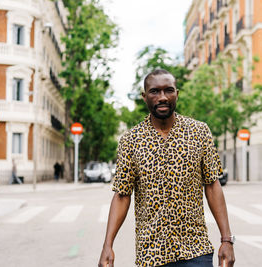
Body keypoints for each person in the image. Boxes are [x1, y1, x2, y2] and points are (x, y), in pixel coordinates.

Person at [98, 69, 235, 267]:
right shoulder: (131, 140)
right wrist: (107, 246)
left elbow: (213, 185)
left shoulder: (199, 132)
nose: (162, 97)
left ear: (176, 94)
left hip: (195, 250)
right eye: (155, 91)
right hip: (151, 254)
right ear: (145, 97)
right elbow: (122, 195)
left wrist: (226, 239)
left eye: (168, 90)